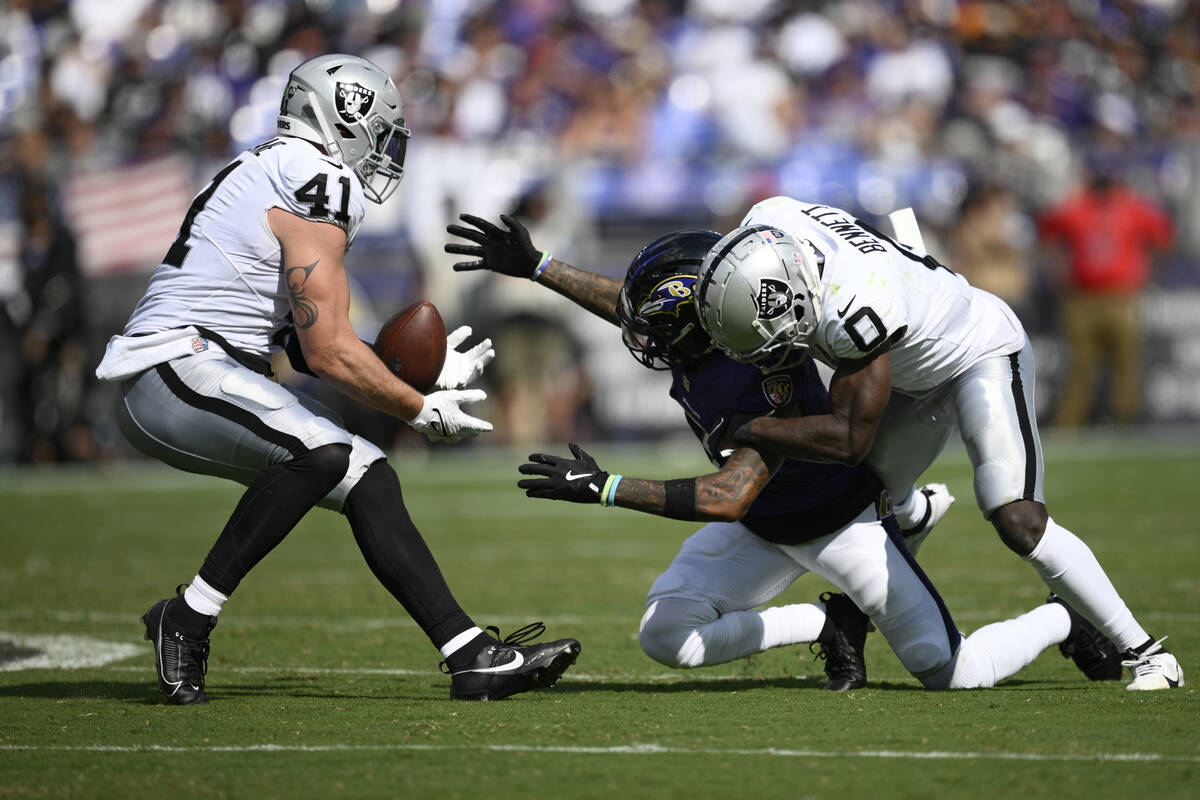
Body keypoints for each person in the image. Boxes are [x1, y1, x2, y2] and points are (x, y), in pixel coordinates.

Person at [445, 216, 1121, 691]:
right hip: (763, 528)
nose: (641, 335)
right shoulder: (709, 326)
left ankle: (1059, 617)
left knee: (953, 672)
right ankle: (825, 621)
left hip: (835, 525)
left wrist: (606, 486)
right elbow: (630, 306)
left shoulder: (753, 369)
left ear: (699, 322)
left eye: (657, 328)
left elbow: (725, 494)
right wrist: (536, 267)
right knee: (665, 636)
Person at [94, 55, 579, 705]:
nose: (383, 148)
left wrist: (407, 368)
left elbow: (308, 333)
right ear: (342, 116)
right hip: (177, 365)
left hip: (197, 368)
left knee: (366, 473)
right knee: (320, 453)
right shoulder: (316, 176)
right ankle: (188, 616)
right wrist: (418, 404)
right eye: (378, 130)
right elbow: (324, 348)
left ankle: (469, 654)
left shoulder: (276, 167)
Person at [691, 196, 1182, 690]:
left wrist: (747, 428)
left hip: (979, 355)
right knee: (860, 499)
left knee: (1016, 516)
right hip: (913, 368)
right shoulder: (767, 222)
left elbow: (848, 439)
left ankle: (1148, 653)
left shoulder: (855, 306)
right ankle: (900, 537)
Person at [1038, 166, 1174, 427]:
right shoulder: (1076, 207)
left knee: (1125, 359)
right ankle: (1072, 420)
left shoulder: (1132, 207)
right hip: (1082, 297)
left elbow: (1164, 236)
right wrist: (1057, 273)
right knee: (1080, 363)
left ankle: (1124, 417)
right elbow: (1047, 231)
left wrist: (1147, 275)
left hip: (1120, 296)